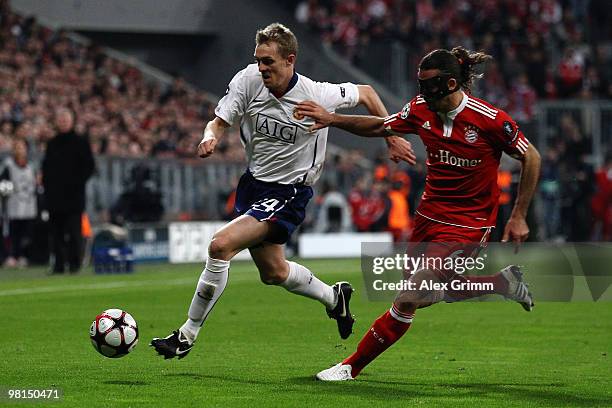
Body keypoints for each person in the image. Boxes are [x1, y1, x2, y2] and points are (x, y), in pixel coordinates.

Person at [150, 23, 416, 359]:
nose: (262, 68)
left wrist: (391, 135)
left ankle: (187, 334)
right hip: (254, 184)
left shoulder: (316, 93)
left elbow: (366, 92)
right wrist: (210, 136)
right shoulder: (247, 80)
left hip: (290, 191)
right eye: (259, 60)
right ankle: (335, 298)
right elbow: (219, 120)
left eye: (269, 62)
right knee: (274, 273)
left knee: (220, 246)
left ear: (290, 60)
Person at [296, 46, 541, 381]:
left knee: (408, 297)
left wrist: (518, 215)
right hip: (427, 218)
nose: (423, 94)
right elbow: (381, 126)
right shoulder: (421, 109)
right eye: (420, 86)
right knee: (422, 296)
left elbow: (532, 158)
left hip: (468, 224)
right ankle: (502, 283)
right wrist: (333, 119)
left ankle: (349, 367)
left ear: (452, 84)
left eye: (430, 87)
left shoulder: (490, 120)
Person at [42, 108, 95, 273]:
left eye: (66, 119)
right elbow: (46, 169)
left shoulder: (80, 142)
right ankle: (58, 264)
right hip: (55, 197)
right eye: (61, 119)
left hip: (74, 197)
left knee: (74, 232)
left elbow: (89, 166)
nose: (63, 122)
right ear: (57, 122)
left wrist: (77, 183)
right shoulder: (52, 143)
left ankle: (74, 264)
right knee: (56, 233)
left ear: (72, 121)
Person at [0, 139, 38, 267]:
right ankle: (11, 255)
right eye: (17, 147)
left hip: (28, 204)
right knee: (12, 232)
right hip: (13, 205)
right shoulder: (8, 165)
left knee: (26, 233)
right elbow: (3, 185)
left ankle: (23, 255)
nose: (20, 150)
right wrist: (10, 191)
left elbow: (35, 183)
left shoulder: (31, 165)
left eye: (22, 147)